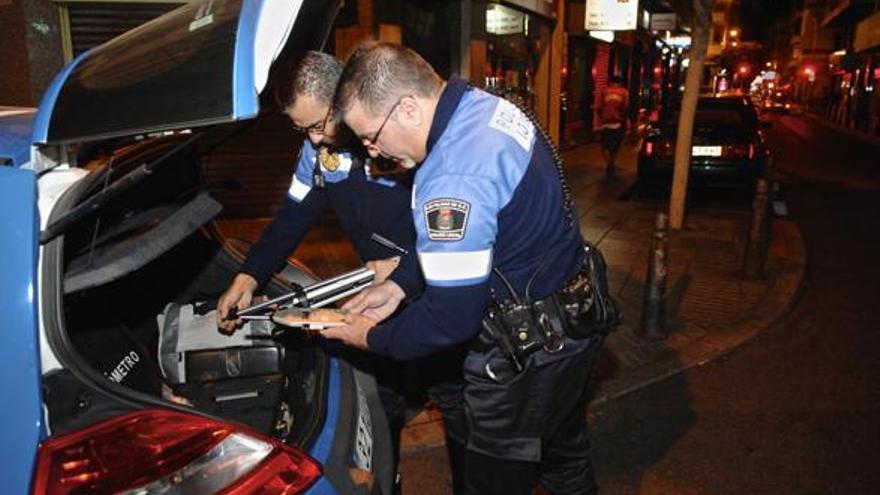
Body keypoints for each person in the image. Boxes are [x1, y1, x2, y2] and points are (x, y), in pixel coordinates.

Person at [324, 42, 612, 495]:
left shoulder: (451, 176)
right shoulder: (481, 108)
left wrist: (371, 337)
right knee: (564, 460)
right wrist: (400, 286)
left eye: (370, 136)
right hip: (571, 329)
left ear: (408, 108)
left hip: (526, 358)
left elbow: (451, 316)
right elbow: (480, 237)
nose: (371, 150)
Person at [215, 51, 415, 493]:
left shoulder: (395, 137)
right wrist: (248, 276)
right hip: (381, 295)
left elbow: (452, 225)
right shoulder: (318, 152)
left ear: (345, 100)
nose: (315, 139)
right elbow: (292, 217)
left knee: (457, 404)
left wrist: (405, 267)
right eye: (301, 129)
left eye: (318, 124)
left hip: (431, 284)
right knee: (386, 401)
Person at [598, 75, 630, 180]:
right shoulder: (624, 92)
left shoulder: (604, 91)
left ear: (610, 82)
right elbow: (625, 108)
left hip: (606, 123)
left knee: (605, 146)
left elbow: (599, 107)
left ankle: (609, 164)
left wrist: (602, 117)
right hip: (618, 123)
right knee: (615, 147)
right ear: (620, 83)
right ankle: (612, 163)